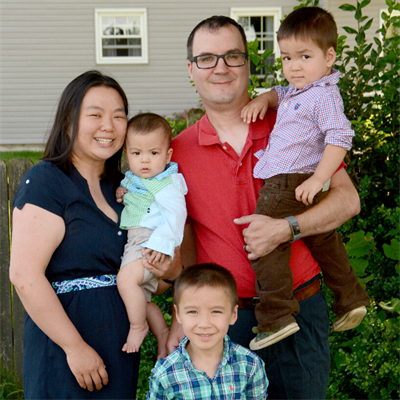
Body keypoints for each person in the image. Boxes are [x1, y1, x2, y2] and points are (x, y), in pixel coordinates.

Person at [160, 15, 361, 400]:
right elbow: (186, 245)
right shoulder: (176, 153)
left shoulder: (295, 119)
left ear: (248, 64)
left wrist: (287, 228)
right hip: (221, 323)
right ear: (191, 69)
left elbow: (347, 200)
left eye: (232, 56)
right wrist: (178, 318)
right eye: (206, 58)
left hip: (299, 310)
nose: (220, 67)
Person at [238, 7, 370, 350]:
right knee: (323, 239)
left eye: (304, 56)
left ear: (329, 57)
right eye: (286, 58)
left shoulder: (323, 96)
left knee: (264, 242)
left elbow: (339, 137)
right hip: (300, 181)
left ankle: (276, 316)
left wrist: (319, 179)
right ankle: (351, 297)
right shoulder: (300, 90)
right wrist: (263, 99)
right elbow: (279, 93)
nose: (294, 66)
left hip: (287, 181)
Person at [11, 70, 145, 399]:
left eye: (119, 116)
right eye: (95, 115)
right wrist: (75, 347)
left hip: (118, 346)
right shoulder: (47, 181)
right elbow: (24, 275)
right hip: (65, 351)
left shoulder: (123, 188)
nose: (108, 126)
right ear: (68, 121)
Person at [117, 113, 187, 358]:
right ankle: (163, 335)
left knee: (126, 281)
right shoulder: (136, 178)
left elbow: (177, 215)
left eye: (154, 153)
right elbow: (136, 193)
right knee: (143, 302)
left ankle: (138, 327)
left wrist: (159, 245)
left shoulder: (166, 183)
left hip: (151, 242)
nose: (145, 160)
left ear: (167, 155)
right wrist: (122, 192)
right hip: (137, 241)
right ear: (127, 155)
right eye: (137, 153)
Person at [147, 263, 268, 400]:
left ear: (233, 314)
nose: (204, 324)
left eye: (216, 311)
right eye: (193, 312)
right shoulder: (165, 373)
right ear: (178, 314)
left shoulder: (250, 364)